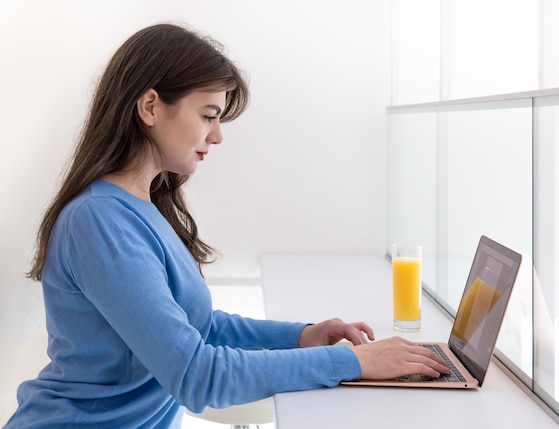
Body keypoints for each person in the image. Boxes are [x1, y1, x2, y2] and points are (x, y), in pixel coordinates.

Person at [4, 23, 449, 428]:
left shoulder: (142, 206)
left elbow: (197, 326)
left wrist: (301, 336)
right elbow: (198, 377)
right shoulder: (99, 222)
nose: (217, 135)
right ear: (151, 106)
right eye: (209, 115)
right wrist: (350, 362)